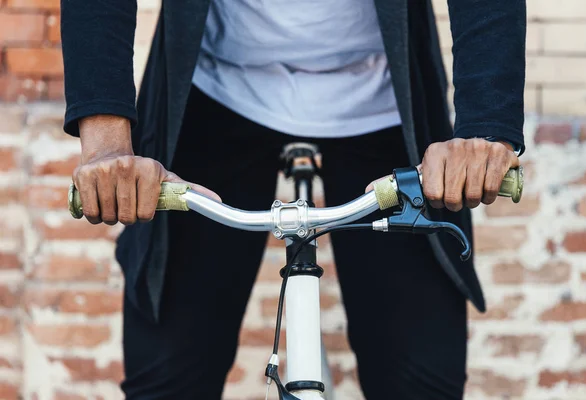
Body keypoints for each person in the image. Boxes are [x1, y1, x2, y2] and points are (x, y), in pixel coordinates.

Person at [61, 0, 525, 398]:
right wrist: (107, 145)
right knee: (165, 376)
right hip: (216, 90)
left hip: (381, 97)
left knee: (422, 379)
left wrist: (485, 132)